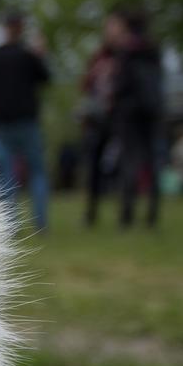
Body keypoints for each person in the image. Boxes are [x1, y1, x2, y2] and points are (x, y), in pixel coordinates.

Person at [0, 12, 50, 232]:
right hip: (27, 122)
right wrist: (40, 54)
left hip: (2, 124)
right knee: (36, 171)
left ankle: (11, 223)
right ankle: (41, 222)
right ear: (21, 29)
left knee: (6, 174)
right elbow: (46, 78)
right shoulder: (29, 57)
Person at [108, 8, 165, 229]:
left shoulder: (126, 51)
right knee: (152, 162)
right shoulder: (153, 49)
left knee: (130, 162)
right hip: (152, 112)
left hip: (129, 114)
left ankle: (127, 215)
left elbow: (120, 85)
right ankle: (152, 215)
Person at [77, 37, 119, 227]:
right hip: (96, 124)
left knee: (115, 166)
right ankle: (91, 212)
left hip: (116, 121)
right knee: (93, 167)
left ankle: (122, 212)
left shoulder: (120, 65)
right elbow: (85, 88)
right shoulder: (96, 67)